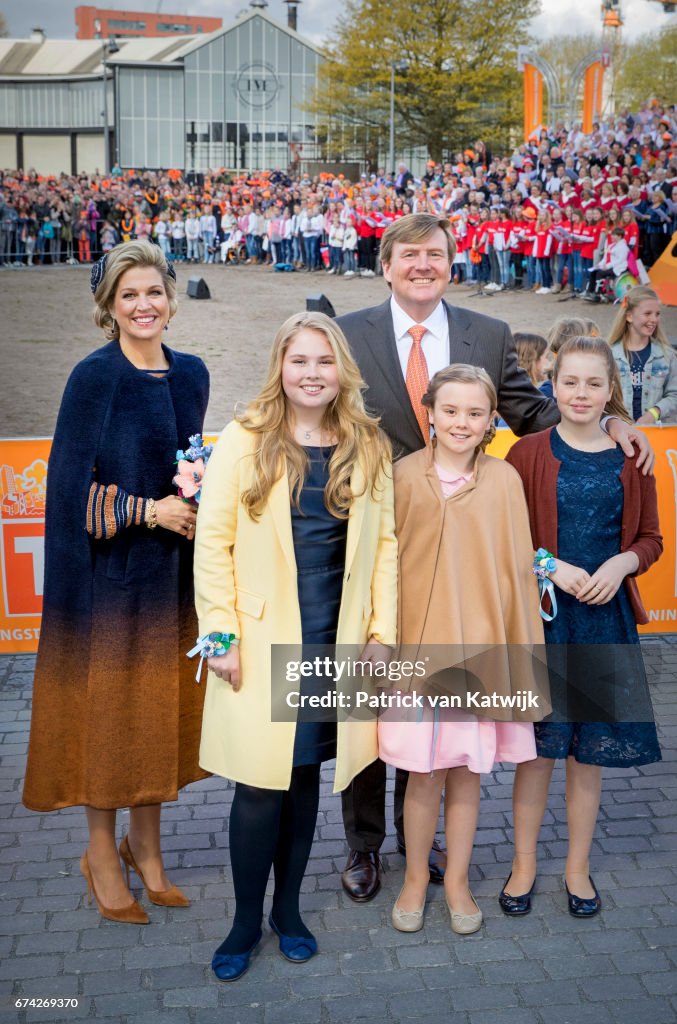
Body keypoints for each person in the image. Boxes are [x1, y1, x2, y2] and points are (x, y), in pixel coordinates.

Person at [334, 213, 652, 903]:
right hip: (380, 537)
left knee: (442, 727)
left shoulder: (490, 332)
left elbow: (536, 415)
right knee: (374, 696)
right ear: (385, 264)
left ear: (452, 263)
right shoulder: (348, 335)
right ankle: (364, 846)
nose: (423, 265)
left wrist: (611, 420)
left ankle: (435, 844)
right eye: (408, 254)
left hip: (463, 554)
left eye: (436, 254)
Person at [192, 311, 397, 982]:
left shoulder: (367, 443)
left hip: (330, 643)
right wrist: (219, 635)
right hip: (256, 641)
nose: (311, 373)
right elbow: (212, 544)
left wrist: (379, 634)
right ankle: (244, 921)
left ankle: (288, 913)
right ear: (280, 366)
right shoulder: (245, 439)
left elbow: (386, 547)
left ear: (342, 369)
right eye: (299, 360)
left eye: (323, 361)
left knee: (304, 783)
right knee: (257, 789)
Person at [23, 240, 210, 924]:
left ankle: (147, 848)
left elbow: (190, 462)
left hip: (170, 579)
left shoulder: (191, 374)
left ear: (170, 298)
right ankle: (101, 852)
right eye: (128, 294)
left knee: (156, 714)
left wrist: (201, 500)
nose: (143, 305)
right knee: (107, 718)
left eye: (153, 292)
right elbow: (67, 490)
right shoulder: (93, 377)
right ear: (109, 305)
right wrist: (148, 510)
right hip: (104, 580)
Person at [379, 365, 547, 935]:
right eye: (450, 410)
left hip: (476, 657)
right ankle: (415, 879)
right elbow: (382, 570)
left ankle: (456, 879)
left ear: (491, 421)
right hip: (416, 656)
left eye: (476, 413)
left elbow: (517, 573)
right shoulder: (401, 477)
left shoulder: (503, 482)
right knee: (423, 775)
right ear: (430, 412)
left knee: (467, 774)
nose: (462, 422)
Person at [502, 336, 662, 918]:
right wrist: (555, 566)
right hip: (545, 619)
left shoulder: (631, 456)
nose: (581, 393)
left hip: (602, 620)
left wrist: (622, 565)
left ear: (610, 391)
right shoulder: (527, 454)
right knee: (537, 753)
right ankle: (523, 865)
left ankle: (577, 868)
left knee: (585, 754)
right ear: (552, 381)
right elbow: (509, 540)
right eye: (570, 381)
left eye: (594, 384)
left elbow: (651, 540)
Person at [607, 285, 677, 424]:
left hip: (655, 433)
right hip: (618, 433)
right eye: (647, 313)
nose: (654, 319)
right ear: (629, 316)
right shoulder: (609, 355)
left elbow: (676, 395)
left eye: (657, 314)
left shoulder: (667, 356)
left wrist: (653, 414)